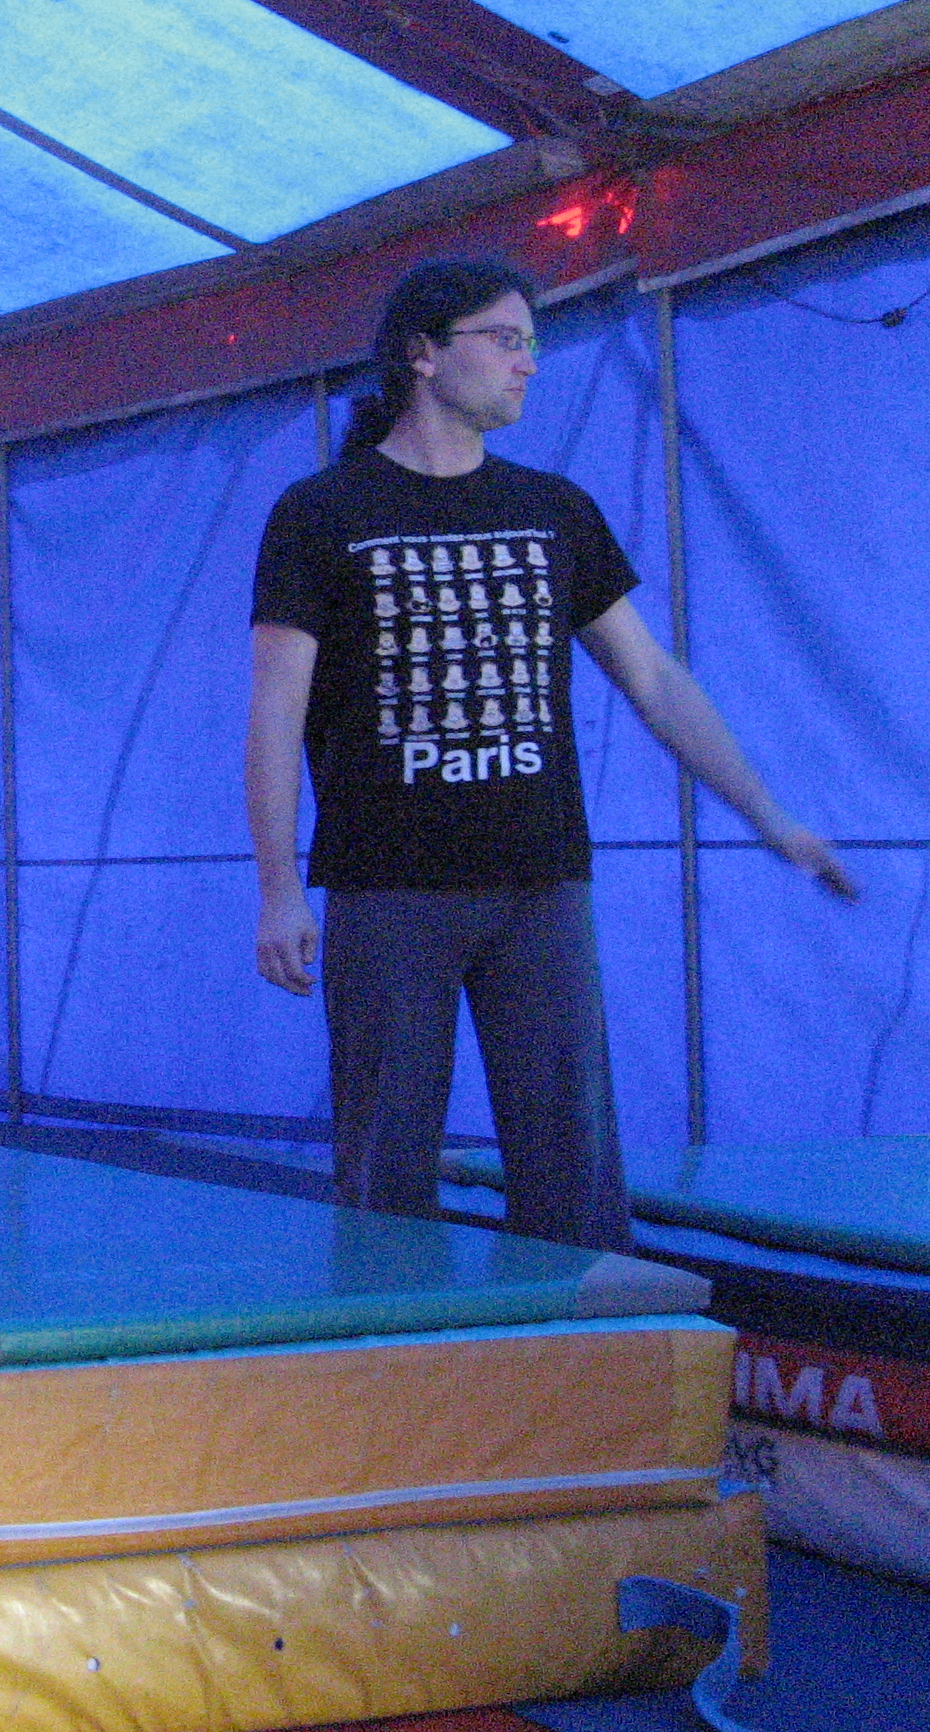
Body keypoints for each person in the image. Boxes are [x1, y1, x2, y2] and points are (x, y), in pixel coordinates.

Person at [247, 259, 855, 1250]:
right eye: (505, 340)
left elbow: (652, 681)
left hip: (540, 884)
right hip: (387, 886)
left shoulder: (553, 510)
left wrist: (770, 818)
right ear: (422, 354)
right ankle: (388, 1341)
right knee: (384, 1164)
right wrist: (279, 888)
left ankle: (591, 1339)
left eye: (532, 343)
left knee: (571, 1160)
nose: (527, 363)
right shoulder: (321, 513)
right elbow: (275, 710)